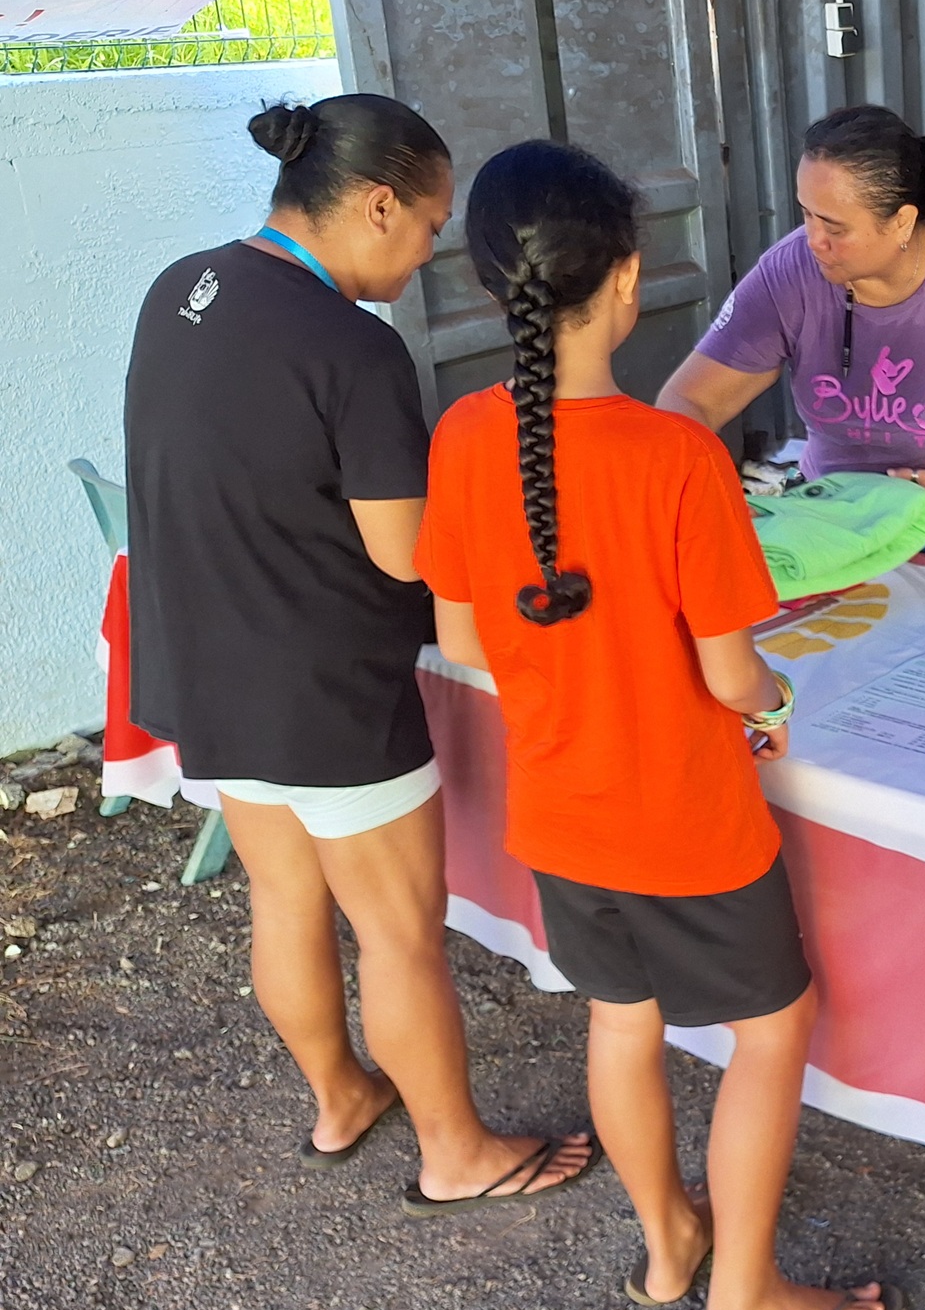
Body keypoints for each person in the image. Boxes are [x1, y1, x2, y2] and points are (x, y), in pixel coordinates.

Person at [417, 139, 900, 1310]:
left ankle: (672, 1247)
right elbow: (735, 676)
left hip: (561, 813)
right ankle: (744, 1306)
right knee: (773, 1029)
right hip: (685, 818)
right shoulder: (674, 458)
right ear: (627, 281)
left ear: (486, 286)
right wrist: (774, 695)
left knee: (619, 1021)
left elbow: (465, 637)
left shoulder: (466, 435)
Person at [123, 96, 597, 1214]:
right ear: (377, 201)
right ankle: (456, 1151)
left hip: (204, 663)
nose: (430, 247)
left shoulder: (185, 285)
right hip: (324, 687)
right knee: (396, 935)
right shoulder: (354, 346)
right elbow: (401, 556)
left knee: (282, 900)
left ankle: (341, 1095)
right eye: (428, 221)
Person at [655, 105, 925, 573]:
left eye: (835, 227)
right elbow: (690, 400)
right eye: (807, 215)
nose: (812, 240)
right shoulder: (790, 274)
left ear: (902, 221)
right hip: (829, 520)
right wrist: (705, 500)